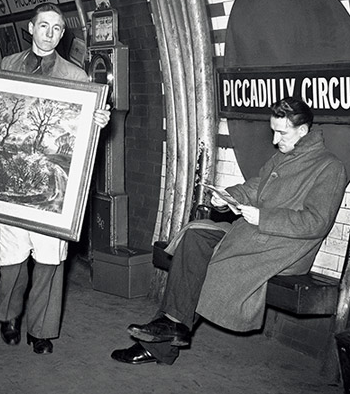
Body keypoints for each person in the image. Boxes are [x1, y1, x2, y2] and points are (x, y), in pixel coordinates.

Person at [111, 97, 348, 365]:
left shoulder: (330, 167)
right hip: (256, 234)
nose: (274, 139)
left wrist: (263, 217)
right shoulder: (283, 156)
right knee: (194, 237)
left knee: (208, 266)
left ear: (303, 131)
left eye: (281, 132)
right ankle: (173, 326)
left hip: (283, 249)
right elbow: (255, 187)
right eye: (273, 130)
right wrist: (228, 196)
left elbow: (317, 223)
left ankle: (163, 338)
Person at [0, 3, 111, 354]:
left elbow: (80, 135)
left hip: (52, 188)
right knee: (12, 257)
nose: (50, 33)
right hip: (11, 178)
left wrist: (98, 124)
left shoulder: (76, 77)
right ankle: (10, 314)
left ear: (63, 34)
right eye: (43, 26)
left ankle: (41, 329)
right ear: (30, 28)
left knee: (49, 258)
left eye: (57, 29)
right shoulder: (7, 66)